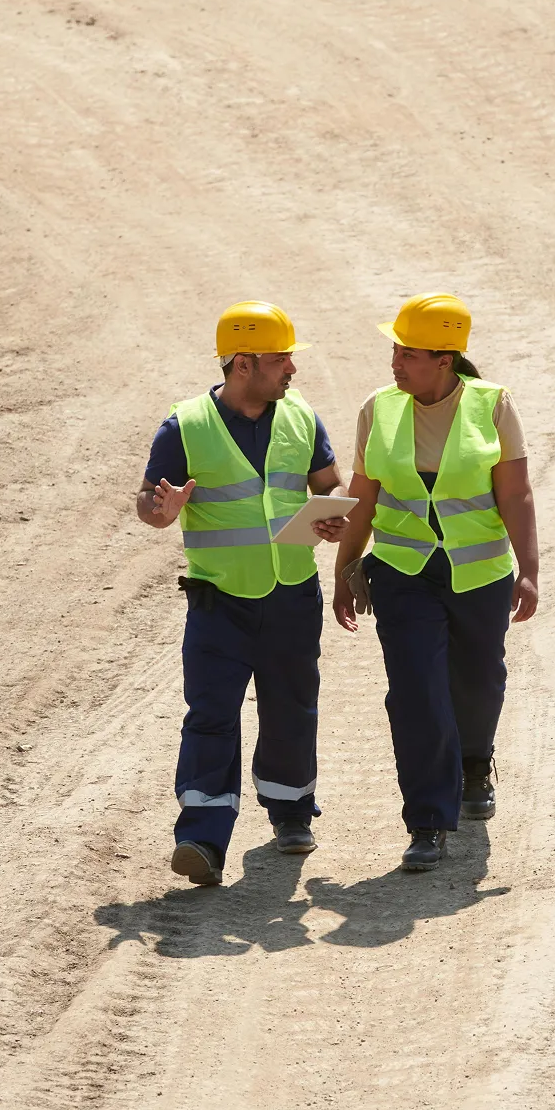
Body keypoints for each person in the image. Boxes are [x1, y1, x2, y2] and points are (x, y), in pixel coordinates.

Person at [137, 300, 347, 887]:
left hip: (291, 596)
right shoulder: (185, 426)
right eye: (282, 360)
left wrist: (334, 518)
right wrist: (163, 510)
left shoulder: (302, 419)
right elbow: (147, 504)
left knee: (290, 708)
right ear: (245, 364)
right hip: (218, 601)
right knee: (210, 715)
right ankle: (202, 838)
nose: (292, 370)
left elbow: (330, 485)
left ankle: (291, 811)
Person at [333, 292, 538, 872]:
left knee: (478, 682)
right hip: (401, 575)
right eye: (395, 349)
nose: (394, 362)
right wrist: (346, 568)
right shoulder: (379, 408)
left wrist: (530, 572)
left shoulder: (493, 406)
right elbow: (364, 495)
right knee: (416, 692)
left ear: (445, 359)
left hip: (479, 575)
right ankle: (426, 820)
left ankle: (475, 763)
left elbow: (515, 493)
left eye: (408, 353)